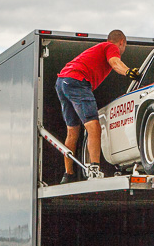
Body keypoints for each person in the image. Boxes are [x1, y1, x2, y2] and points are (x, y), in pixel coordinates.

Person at [55, 29, 141, 184]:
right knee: (94, 126)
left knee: (72, 131)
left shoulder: (98, 49)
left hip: (63, 82)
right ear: (122, 42)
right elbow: (115, 63)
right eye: (124, 47)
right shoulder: (110, 47)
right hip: (77, 80)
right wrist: (129, 72)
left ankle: (68, 175)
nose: (122, 50)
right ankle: (94, 170)